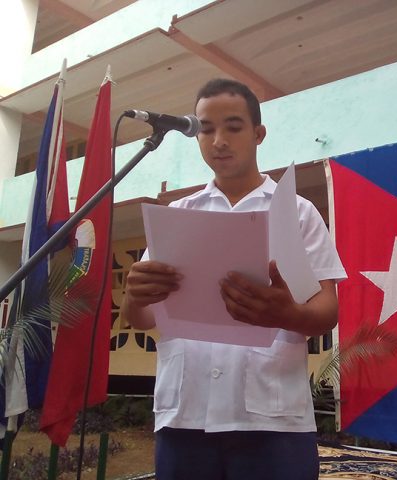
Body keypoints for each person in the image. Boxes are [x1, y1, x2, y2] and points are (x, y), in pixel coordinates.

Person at [121, 78, 346, 480]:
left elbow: (326, 310)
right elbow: (141, 319)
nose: (218, 140)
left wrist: (287, 313)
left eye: (233, 127)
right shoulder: (179, 215)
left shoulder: (295, 212)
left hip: (271, 418)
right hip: (185, 413)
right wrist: (135, 296)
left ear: (258, 134)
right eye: (206, 129)